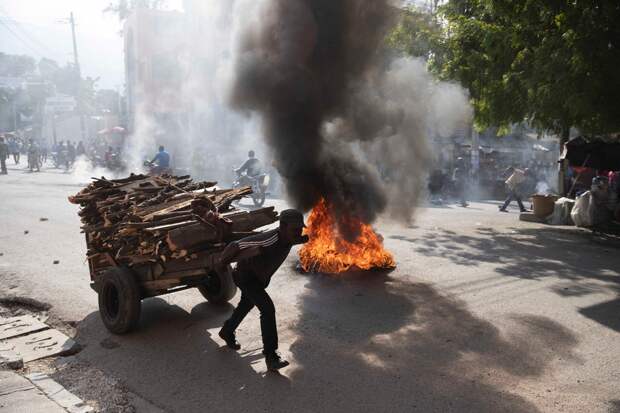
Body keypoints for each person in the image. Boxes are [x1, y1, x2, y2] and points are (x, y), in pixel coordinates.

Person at [218, 209, 308, 371]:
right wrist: (222, 263)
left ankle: (227, 331)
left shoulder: (289, 237)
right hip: (245, 277)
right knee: (267, 309)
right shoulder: (269, 239)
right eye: (295, 229)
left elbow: (299, 239)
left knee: (246, 305)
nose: (298, 232)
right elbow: (235, 245)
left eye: (300, 228)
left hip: (259, 279)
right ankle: (271, 356)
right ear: (282, 226)